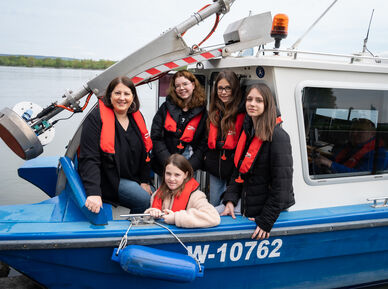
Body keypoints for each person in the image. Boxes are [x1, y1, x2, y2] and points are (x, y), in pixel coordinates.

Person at [221, 83, 295, 240]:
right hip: (248, 204)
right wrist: (230, 200)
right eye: (249, 99)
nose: (252, 104)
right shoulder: (248, 131)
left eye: (259, 100)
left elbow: (282, 186)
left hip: (264, 212)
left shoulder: (279, 137)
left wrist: (266, 222)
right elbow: (238, 169)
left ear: (267, 105)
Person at [79, 76, 153, 214]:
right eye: (117, 93)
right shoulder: (95, 119)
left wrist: (145, 181)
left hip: (134, 177)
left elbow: (145, 153)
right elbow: (89, 158)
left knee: (156, 196)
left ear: (133, 97)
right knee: (144, 199)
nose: (122, 98)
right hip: (108, 179)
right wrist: (93, 192)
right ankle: (130, 231)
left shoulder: (137, 117)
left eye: (126, 94)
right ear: (110, 95)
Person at [151, 70, 207, 177]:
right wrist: (168, 163)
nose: (181, 88)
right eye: (177, 86)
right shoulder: (164, 108)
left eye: (185, 84)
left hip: (189, 162)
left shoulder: (203, 112)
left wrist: (189, 167)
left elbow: (203, 143)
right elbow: (156, 137)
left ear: (193, 85)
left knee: (186, 193)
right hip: (165, 161)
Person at [145, 154, 220, 228]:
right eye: (168, 174)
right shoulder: (156, 194)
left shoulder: (196, 196)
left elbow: (213, 217)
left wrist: (176, 218)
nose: (171, 179)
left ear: (185, 175)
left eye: (177, 175)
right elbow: (147, 221)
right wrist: (151, 213)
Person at [204, 70, 245, 206]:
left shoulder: (243, 113)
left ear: (235, 89)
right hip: (216, 169)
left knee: (231, 205)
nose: (223, 92)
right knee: (214, 203)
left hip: (234, 168)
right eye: (220, 88)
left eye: (228, 88)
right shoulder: (214, 111)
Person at [315, 118, 388, 173]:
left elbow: (361, 176)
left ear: (372, 133)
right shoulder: (350, 146)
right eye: (352, 129)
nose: (354, 133)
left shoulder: (380, 154)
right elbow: (338, 160)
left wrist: (330, 164)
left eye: (360, 130)